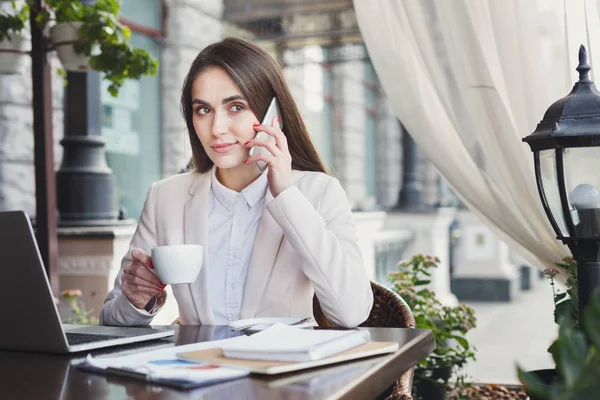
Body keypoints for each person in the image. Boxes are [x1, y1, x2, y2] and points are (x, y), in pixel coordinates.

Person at [99, 37, 373, 328]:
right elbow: (110, 317)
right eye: (203, 110)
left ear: (273, 115)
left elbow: (352, 311)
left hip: (282, 369)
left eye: (236, 107)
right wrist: (137, 301)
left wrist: (286, 196)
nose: (216, 129)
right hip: (196, 369)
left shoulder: (319, 192)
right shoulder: (165, 197)